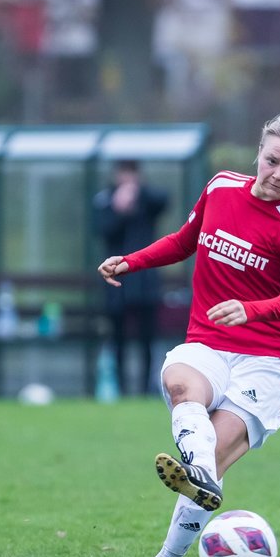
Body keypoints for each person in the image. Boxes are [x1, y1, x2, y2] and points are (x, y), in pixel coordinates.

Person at [98, 113, 280, 557]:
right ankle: (196, 469)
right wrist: (132, 261)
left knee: (214, 458)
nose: (278, 174)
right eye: (272, 161)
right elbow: (184, 241)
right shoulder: (220, 187)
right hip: (210, 342)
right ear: (257, 155)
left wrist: (250, 309)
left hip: (269, 360)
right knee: (182, 384)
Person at [92, 159, 169, 395]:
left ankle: (146, 388)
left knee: (147, 338)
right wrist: (119, 209)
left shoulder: (146, 198)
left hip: (144, 280)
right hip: (117, 281)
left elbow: (164, 200)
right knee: (118, 339)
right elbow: (102, 230)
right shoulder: (106, 200)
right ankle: (122, 388)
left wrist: (137, 192)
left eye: (131, 174)